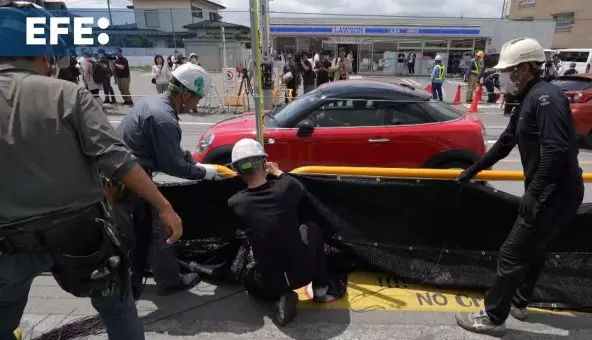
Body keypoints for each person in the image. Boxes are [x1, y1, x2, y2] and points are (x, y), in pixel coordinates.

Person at [0, 2, 184, 339]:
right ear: (43, 51)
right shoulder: (67, 95)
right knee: (118, 309)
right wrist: (165, 206)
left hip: (8, 243)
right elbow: (118, 160)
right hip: (81, 235)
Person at [454, 37, 584, 337]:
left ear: (524, 69)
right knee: (534, 249)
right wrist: (472, 170)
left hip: (555, 192)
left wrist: (534, 193)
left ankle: (491, 317)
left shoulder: (546, 98)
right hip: (552, 191)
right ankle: (519, 302)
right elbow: (505, 143)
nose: (501, 77)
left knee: (512, 254)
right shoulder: (528, 98)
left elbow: (555, 149)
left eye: (507, 70)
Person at [114, 63, 219, 296]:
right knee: (158, 232)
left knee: (145, 233)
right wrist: (203, 172)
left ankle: (142, 282)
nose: (197, 104)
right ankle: (156, 284)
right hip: (127, 185)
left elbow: (167, 151)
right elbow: (171, 164)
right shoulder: (164, 119)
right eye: (197, 99)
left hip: (127, 179)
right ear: (185, 95)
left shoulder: (154, 104)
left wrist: (192, 161)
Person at [227, 138, 339, 326]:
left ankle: (278, 296)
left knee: (249, 270)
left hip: (266, 285)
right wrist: (277, 171)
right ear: (264, 163)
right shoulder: (285, 189)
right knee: (311, 227)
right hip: (304, 274)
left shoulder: (235, 203)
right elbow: (298, 187)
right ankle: (320, 289)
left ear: (237, 171)